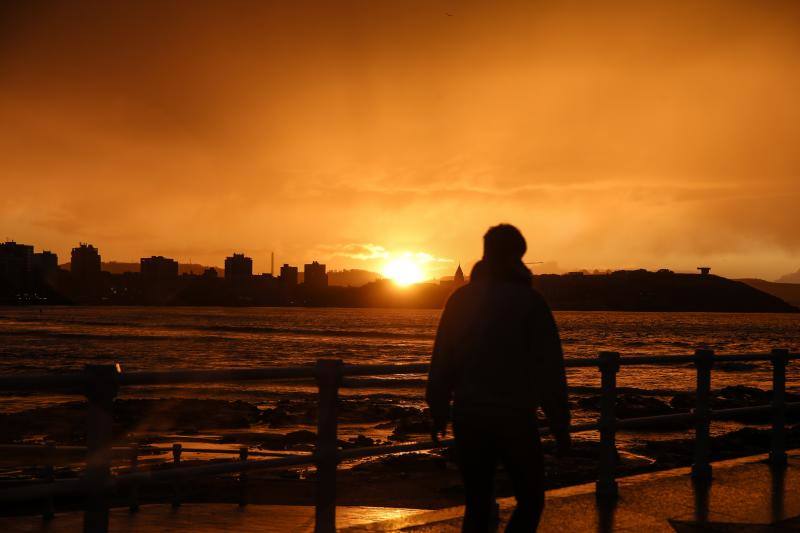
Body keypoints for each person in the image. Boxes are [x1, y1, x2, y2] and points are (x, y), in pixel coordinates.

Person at [426, 224, 570, 532]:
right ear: (518, 256)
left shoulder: (460, 300)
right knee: (531, 499)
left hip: (469, 415)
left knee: (477, 502)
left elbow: (442, 359)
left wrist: (438, 410)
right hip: (515, 415)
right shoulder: (530, 302)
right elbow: (549, 368)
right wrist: (559, 422)